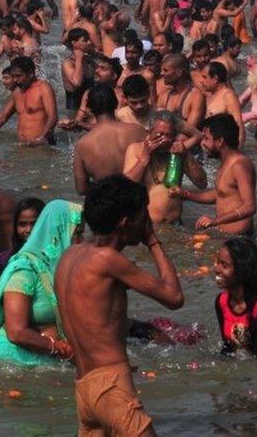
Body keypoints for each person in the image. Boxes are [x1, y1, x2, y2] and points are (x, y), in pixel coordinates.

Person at [54, 175, 184, 436]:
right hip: (111, 387)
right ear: (125, 223)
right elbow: (174, 297)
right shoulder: (108, 260)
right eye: (142, 216)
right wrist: (152, 241)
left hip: (84, 389)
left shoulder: (71, 255)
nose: (147, 221)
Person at [0, 200, 82, 366]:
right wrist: (58, 347)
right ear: (57, 232)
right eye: (76, 234)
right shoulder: (24, 271)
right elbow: (17, 332)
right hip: (12, 360)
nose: (80, 241)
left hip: (44, 359)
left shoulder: (56, 268)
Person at [173, 113, 256, 235]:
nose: (203, 144)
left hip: (240, 239)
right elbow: (220, 194)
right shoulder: (226, 162)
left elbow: (250, 207)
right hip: (225, 236)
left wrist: (214, 221)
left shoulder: (239, 165)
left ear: (220, 141)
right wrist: (186, 195)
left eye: (206, 139)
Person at [123, 110, 207, 224]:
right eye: (159, 135)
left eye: (169, 135)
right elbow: (125, 186)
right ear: (149, 131)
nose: (164, 140)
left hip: (175, 224)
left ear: (175, 136)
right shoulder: (135, 149)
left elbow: (202, 183)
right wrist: (144, 159)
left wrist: (186, 155)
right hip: (148, 226)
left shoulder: (178, 151)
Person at [213, 237, 257, 357]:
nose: (216, 269)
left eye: (224, 265)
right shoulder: (221, 301)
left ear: (242, 271)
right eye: (217, 262)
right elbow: (227, 348)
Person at [73, 85, 147, 195]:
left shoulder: (82, 145)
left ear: (89, 109)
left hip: (107, 204)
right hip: (136, 200)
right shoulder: (138, 131)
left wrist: (107, 189)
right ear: (116, 103)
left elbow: (82, 189)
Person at [0, 56, 58, 146]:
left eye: (18, 76)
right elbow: (2, 117)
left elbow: (53, 117)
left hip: (42, 147)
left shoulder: (43, 88)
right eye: (13, 76)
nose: (15, 80)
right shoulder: (17, 92)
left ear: (31, 73)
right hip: (23, 147)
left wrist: (42, 138)